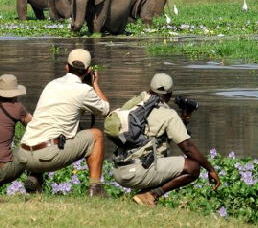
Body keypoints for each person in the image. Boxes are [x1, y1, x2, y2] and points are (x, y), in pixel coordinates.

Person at [111, 73, 221, 206]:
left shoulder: (135, 105)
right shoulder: (169, 115)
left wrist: (183, 122)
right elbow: (187, 148)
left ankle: (144, 194)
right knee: (193, 167)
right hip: (136, 174)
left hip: (118, 171)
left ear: (149, 89)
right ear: (169, 95)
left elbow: (158, 138)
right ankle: (151, 194)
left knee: (159, 157)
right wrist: (210, 169)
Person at [15, 48, 111, 196]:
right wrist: (95, 84)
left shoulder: (52, 84)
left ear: (66, 67)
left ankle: (35, 177)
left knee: (44, 130)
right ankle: (95, 189)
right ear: (88, 70)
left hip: (24, 155)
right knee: (96, 135)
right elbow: (105, 110)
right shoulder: (84, 90)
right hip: (48, 156)